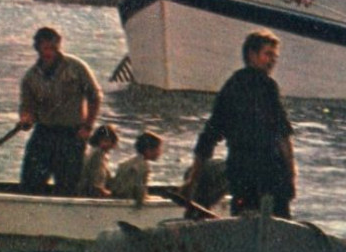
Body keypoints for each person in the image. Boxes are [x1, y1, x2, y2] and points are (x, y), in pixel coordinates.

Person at [183, 30, 297, 218]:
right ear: (252, 55)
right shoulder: (267, 86)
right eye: (268, 54)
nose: (272, 61)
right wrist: (291, 176)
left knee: (243, 215)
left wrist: (193, 179)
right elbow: (283, 136)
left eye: (274, 57)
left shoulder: (231, 86)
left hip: (240, 172)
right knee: (278, 221)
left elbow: (209, 137)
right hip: (270, 174)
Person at [18, 26, 102, 195]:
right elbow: (27, 106)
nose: (49, 52)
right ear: (38, 48)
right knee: (31, 180)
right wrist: (26, 119)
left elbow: (95, 97)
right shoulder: (31, 77)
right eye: (45, 48)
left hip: (72, 134)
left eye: (53, 48)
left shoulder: (76, 68)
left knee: (68, 183)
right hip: (44, 132)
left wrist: (87, 126)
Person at [109, 131, 164, 203]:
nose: (160, 152)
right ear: (148, 150)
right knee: (159, 198)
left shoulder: (128, 162)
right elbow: (140, 196)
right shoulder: (143, 166)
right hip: (127, 201)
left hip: (119, 197)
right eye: (158, 149)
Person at [77, 124, 120, 196]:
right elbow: (96, 188)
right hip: (88, 194)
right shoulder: (98, 155)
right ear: (98, 140)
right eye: (105, 140)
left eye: (110, 141)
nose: (110, 144)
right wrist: (114, 195)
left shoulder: (95, 152)